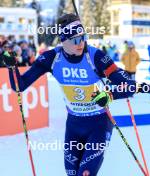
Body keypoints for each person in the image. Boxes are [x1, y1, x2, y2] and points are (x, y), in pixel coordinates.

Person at [2, 13, 136, 176]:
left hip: (99, 124)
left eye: (83, 37)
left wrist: (110, 93)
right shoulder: (51, 58)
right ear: (63, 40)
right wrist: (11, 67)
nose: (81, 43)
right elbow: (19, 86)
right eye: (74, 39)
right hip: (74, 125)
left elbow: (129, 86)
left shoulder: (95, 56)